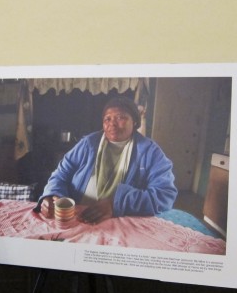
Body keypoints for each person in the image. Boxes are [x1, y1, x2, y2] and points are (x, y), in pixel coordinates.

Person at [36, 96, 177, 224]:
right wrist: (52, 195)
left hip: (120, 221)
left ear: (134, 121)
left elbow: (165, 194)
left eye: (121, 117)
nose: (112, 124)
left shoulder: (149, 151)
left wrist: (115, 204)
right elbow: (61, 174)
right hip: (77, 216)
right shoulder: (89, 143)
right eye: (107, 119)